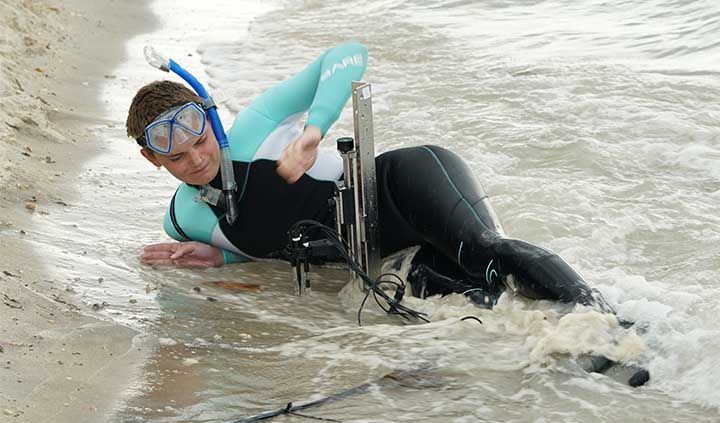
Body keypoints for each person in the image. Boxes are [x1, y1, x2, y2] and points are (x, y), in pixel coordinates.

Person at [126, 42, 608, 310]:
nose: (196, 159)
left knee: (486, 253)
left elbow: (348, 55)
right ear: (154, 161)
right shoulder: (183, 221)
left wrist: (313, 131)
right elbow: (266, 246)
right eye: (178, 156)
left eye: (200, 140)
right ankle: (563, 355)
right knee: (482, 301)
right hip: (384, 261)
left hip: (404, 188)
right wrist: (221, 261)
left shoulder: (258, 127)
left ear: (210, 122)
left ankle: (606, 323)